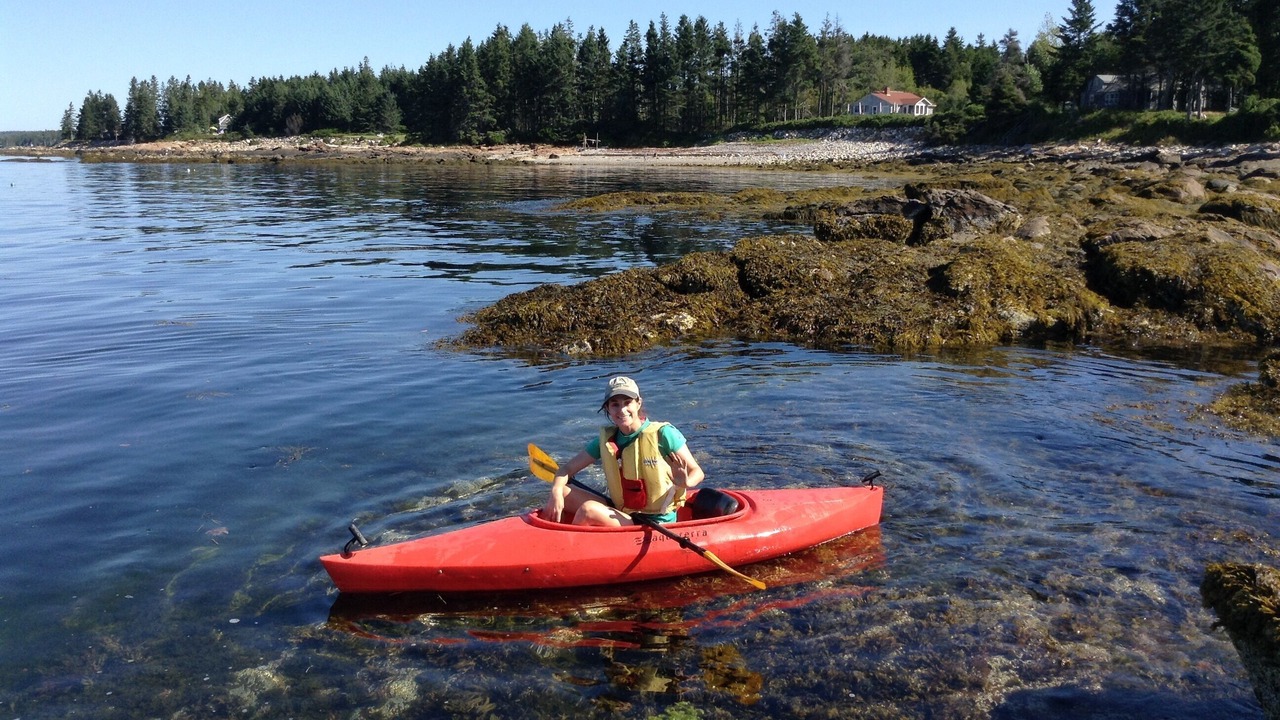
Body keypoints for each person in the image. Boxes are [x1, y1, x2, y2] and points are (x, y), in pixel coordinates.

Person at [544, 376, 704, 526]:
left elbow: (697, 471)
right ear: (607, 408)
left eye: (627, 402)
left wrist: (686, 483)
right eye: (615, 404)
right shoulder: (606, 441)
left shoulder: (663, 434)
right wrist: (556, 490)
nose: (622, 410)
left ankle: (572, 550)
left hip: (656, 521)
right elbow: (566, 470)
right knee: (563, 492)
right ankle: (552, 535)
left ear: (638, 403)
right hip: (623, 511)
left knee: (589, 509)